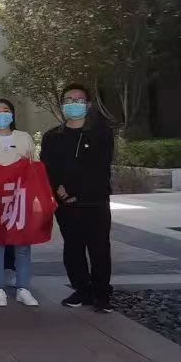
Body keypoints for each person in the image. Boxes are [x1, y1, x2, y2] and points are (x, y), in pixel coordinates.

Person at [41, 83, 115, 313]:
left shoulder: (101, 133)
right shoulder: (53, 136)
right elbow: (47, 168)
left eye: (78, 100)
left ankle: (102, 294)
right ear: (62, 104)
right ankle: (82, 291)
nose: (73, 104)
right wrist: (59, 190)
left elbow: (100, 166)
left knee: (99, 248)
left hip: (94, 200)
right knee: (73, 248)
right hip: (65, 204)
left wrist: (74, 190)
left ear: (88, 105)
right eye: (69, 100)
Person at [0, 99, 39, 308]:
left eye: (6, 110)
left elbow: (32, 164)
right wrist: (16, 161)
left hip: (21, 196)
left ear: (12, 114)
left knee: (23, 244)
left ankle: (23, 288)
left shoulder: (24, 136)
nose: (1, 114)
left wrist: (17, 164)